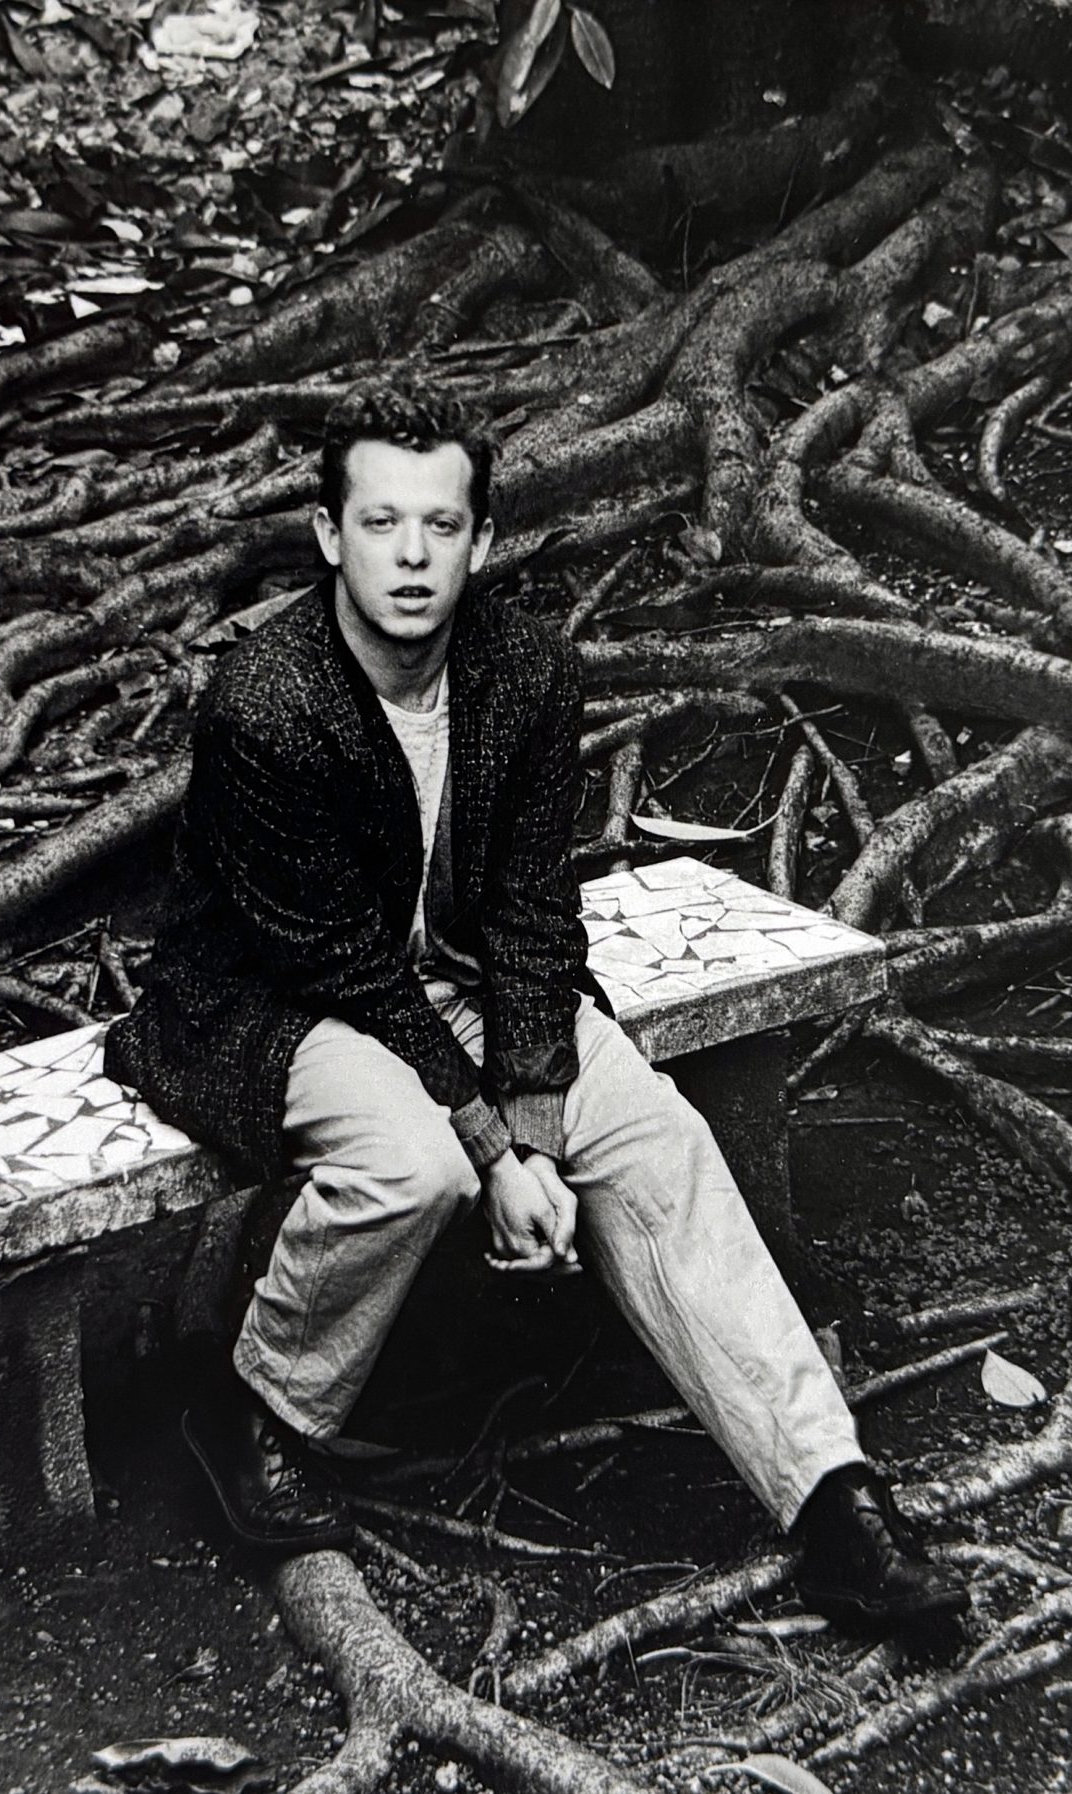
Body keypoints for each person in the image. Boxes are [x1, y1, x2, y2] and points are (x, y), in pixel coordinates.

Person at [106, 382, 965, 1628]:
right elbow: (343, 966)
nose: (410, 557)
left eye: (440, 526)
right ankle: (256, 1411)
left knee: (658, 1140)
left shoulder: (526, 671)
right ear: (328, 535)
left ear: (482, 539)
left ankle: (830, 1498)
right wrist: (496, 1146)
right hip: (273, 1002)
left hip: (456, 983)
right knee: (413, 1168)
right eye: (381, 522)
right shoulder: (266, 704)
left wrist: (543, 1132)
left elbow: (526, 913)